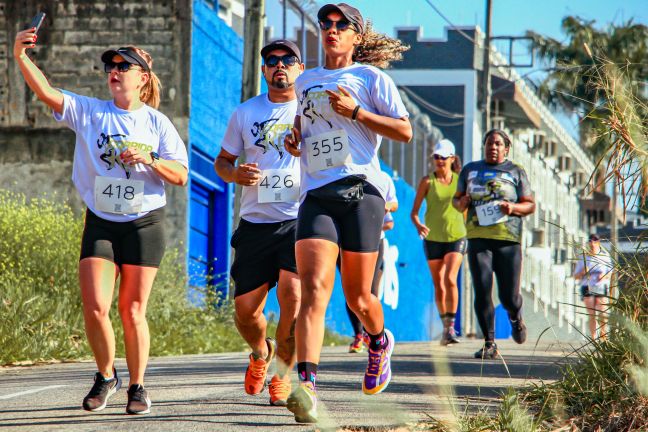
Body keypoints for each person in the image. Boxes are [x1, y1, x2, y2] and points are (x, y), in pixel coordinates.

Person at [14, 27, 188, 414]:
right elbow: (45, 93)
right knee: (95, 306)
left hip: (145, 222)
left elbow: (180, 175)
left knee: (133, 310)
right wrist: (21, 57)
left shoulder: (157, 123)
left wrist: (150, 160)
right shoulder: (91, 112)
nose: (114, 70)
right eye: (110, 65)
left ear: (142, 77)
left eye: (123, 65)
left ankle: (139, 387)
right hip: (102, 221)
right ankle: (106, 375)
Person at [283, 2, 412, 423]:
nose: (331, 30)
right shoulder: (307, 81)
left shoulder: (371, 78)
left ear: (357, 35)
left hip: (361, 192)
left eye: (341, 25)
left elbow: (405, 131)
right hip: (317, 194)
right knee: (314, 290)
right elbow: (307, 125)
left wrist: (357, 112)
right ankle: (307, 388)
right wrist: (295, 137)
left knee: (358, 298)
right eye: (326, 24)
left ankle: (378, 341)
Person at [214, 40, 304, 406]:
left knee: (293, 298)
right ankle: (260, 351)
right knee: (245, 311)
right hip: (255, 222)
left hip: (300, 220)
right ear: (264, 70)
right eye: (271, 61)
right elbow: (222, 161)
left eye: (287, 60)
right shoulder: (245, 112)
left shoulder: (311, 109)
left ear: (299, 68)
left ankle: (282, 373)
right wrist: (235, 174)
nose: (279, 66)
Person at [453, 129, 535, 360]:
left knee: (508, 296)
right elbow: (457, 200)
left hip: (508, 238)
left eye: (498, 144)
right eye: (489, 143)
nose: (493, 147)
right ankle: (490, 342)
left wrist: (513, 208)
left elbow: (530, 205)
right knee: (481, 287)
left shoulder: (516, 171)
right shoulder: (470, 170)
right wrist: (463, 202)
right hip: (478, 236)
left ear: (506, 148)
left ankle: (515, 317)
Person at [411, 139, 466, 346]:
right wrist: (419, 225)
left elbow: (465, 209)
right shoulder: (427, 182)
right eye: (436, 157)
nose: (440, 161)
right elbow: (414, 213)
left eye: (444, 157)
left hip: (456, 236)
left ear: (452, 158)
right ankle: (445, 328)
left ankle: (451, 326)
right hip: (433, 239)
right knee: (439, 284)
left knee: (450, 278)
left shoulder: (461, 181)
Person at [347, 170, 398, 353]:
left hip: (375, 240)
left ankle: (376, 336)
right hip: (348, 239)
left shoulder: (384, 178)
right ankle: (358, 334)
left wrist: (382, 207)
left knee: (371, 291)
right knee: (351, 291)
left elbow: (392, 213)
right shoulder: (348, 173)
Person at [573, 234, 613, 340]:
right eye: (590, 241)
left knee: (603, 311)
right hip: (587, 286)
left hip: (600, 286)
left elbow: (610, 273)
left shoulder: (604, 256)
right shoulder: (583, 258)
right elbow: (576, 276)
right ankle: (593, 337)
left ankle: (603, 335)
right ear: (588, 243)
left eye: (595, 241)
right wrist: (583, 272)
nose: (592, 243)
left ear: (599, 243)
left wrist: (603, 276)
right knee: (592, 313)